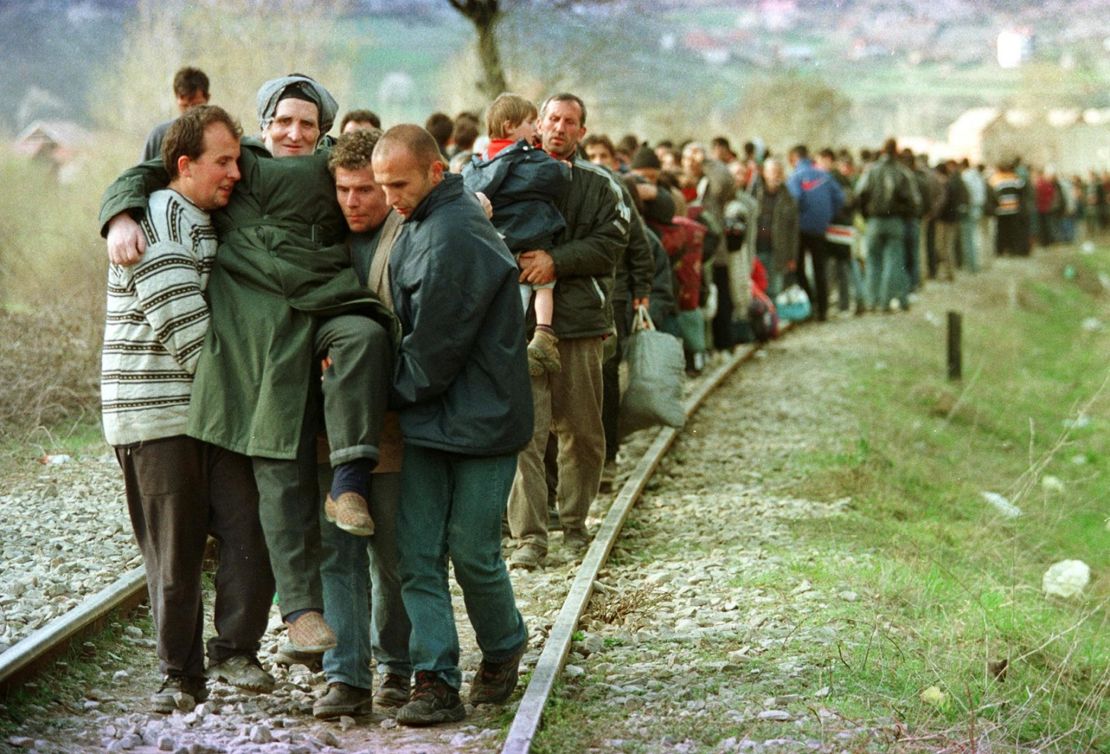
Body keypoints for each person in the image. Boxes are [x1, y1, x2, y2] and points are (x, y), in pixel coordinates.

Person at [99, 74, 397, 657]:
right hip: (226, 355)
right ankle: (256, 634)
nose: (294, 132)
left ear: (323, 133)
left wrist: (467, 192)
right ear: (263, 125)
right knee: (244, 477)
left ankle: (347, 485)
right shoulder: (233, 170)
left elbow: (399, 167)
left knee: (364, 337)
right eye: (282, 121)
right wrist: (119, 213)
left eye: (307, 124)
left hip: (302, 320)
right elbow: (152, 169)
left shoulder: (329, 167)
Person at [101, 105, 275, 713]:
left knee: (249, 525)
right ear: (185, 165)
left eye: (236, 159)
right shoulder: (159, 220)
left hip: (209, 411)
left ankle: (235, 651)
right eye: (223, 162)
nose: (235, 172)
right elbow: (189, 334)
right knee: (175, 555)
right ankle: (181, 676)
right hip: (158, 416)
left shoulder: (203, 217)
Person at [371, 124, 532, 725]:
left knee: (472, 551)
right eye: (383, 186)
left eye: (399, 184)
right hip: (432, 420)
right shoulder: (424, 219)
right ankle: (434, 679)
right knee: (417, 554)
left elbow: (432, 352)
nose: (390, 197)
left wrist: (376, 397)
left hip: (482, 420)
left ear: (436, 171)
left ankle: (503, 646)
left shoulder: (451, 234)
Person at [310, 127, 414, 719]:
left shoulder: (405, 239)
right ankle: (346, 676)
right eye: (344, 190)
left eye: (365, 190)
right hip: (329, 422)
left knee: (394, 553)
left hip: (394, 426)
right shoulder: (323, 235)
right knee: (338, 552)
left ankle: (395, 667)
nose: (354, 202)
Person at [506, 93, 629, 570]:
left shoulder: (601, 184)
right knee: (526, 437)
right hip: (520, 326)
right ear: (538, 123)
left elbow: (611, 242)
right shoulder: (513, 173)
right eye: (552, 118)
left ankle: (574, 523)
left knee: (582, 431)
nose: (559, 127)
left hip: (579, 323)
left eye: (569, 122)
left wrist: (556, 260)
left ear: (582, 131)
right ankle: (529, 538)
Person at [462, 92, 571, 376]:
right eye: (531, 122)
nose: (537, 129)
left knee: (515, 291)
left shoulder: (477, 163)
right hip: (530, 236)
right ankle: (543, 334)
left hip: (499, 241)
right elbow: (552, 176)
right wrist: (563, 169)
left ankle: (512, 338)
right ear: (510, 126)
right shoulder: (525, 159)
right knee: (543, 285)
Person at [855, 138, 921, 312]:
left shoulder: (871, 171)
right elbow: (914, 201)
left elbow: (860, 194)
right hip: (895, 221)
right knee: (894, 263)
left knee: (873, 262)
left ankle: (872, 300)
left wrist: (866, 215)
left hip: (874, 221)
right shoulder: (903, 172)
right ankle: (886, 301)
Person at [786, 144, 843, 322]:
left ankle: (810, 304)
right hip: (820, 229)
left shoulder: (795, 177)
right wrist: (827, 215)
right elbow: (839, 198)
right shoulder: (825, 176)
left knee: (800, 268)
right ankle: (823, 310)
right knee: (820, 268)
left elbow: (794, 200)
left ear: (794, 158)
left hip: (801, 230)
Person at [141, 66, 210, 162]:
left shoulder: (219, 135)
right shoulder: (160, 136)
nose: (190, 112)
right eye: (184, 106)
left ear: (207, 99)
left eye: (195, 105)